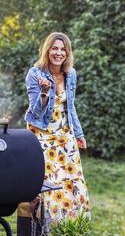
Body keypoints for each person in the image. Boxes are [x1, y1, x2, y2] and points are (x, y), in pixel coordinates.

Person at [17, 32, 90, 235]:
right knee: (47, 185)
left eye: (63, 49)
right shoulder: (35, 74)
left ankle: (69, 228)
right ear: (47, 50)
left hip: (65, 134)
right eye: (54, 48)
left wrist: (78, 133)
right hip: (42, 135)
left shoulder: (70, 73)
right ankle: (44, 230)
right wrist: (43, 93)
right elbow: (35, 113)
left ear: (68, 53)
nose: (59, 53)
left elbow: (71, 106)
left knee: (73, 181)